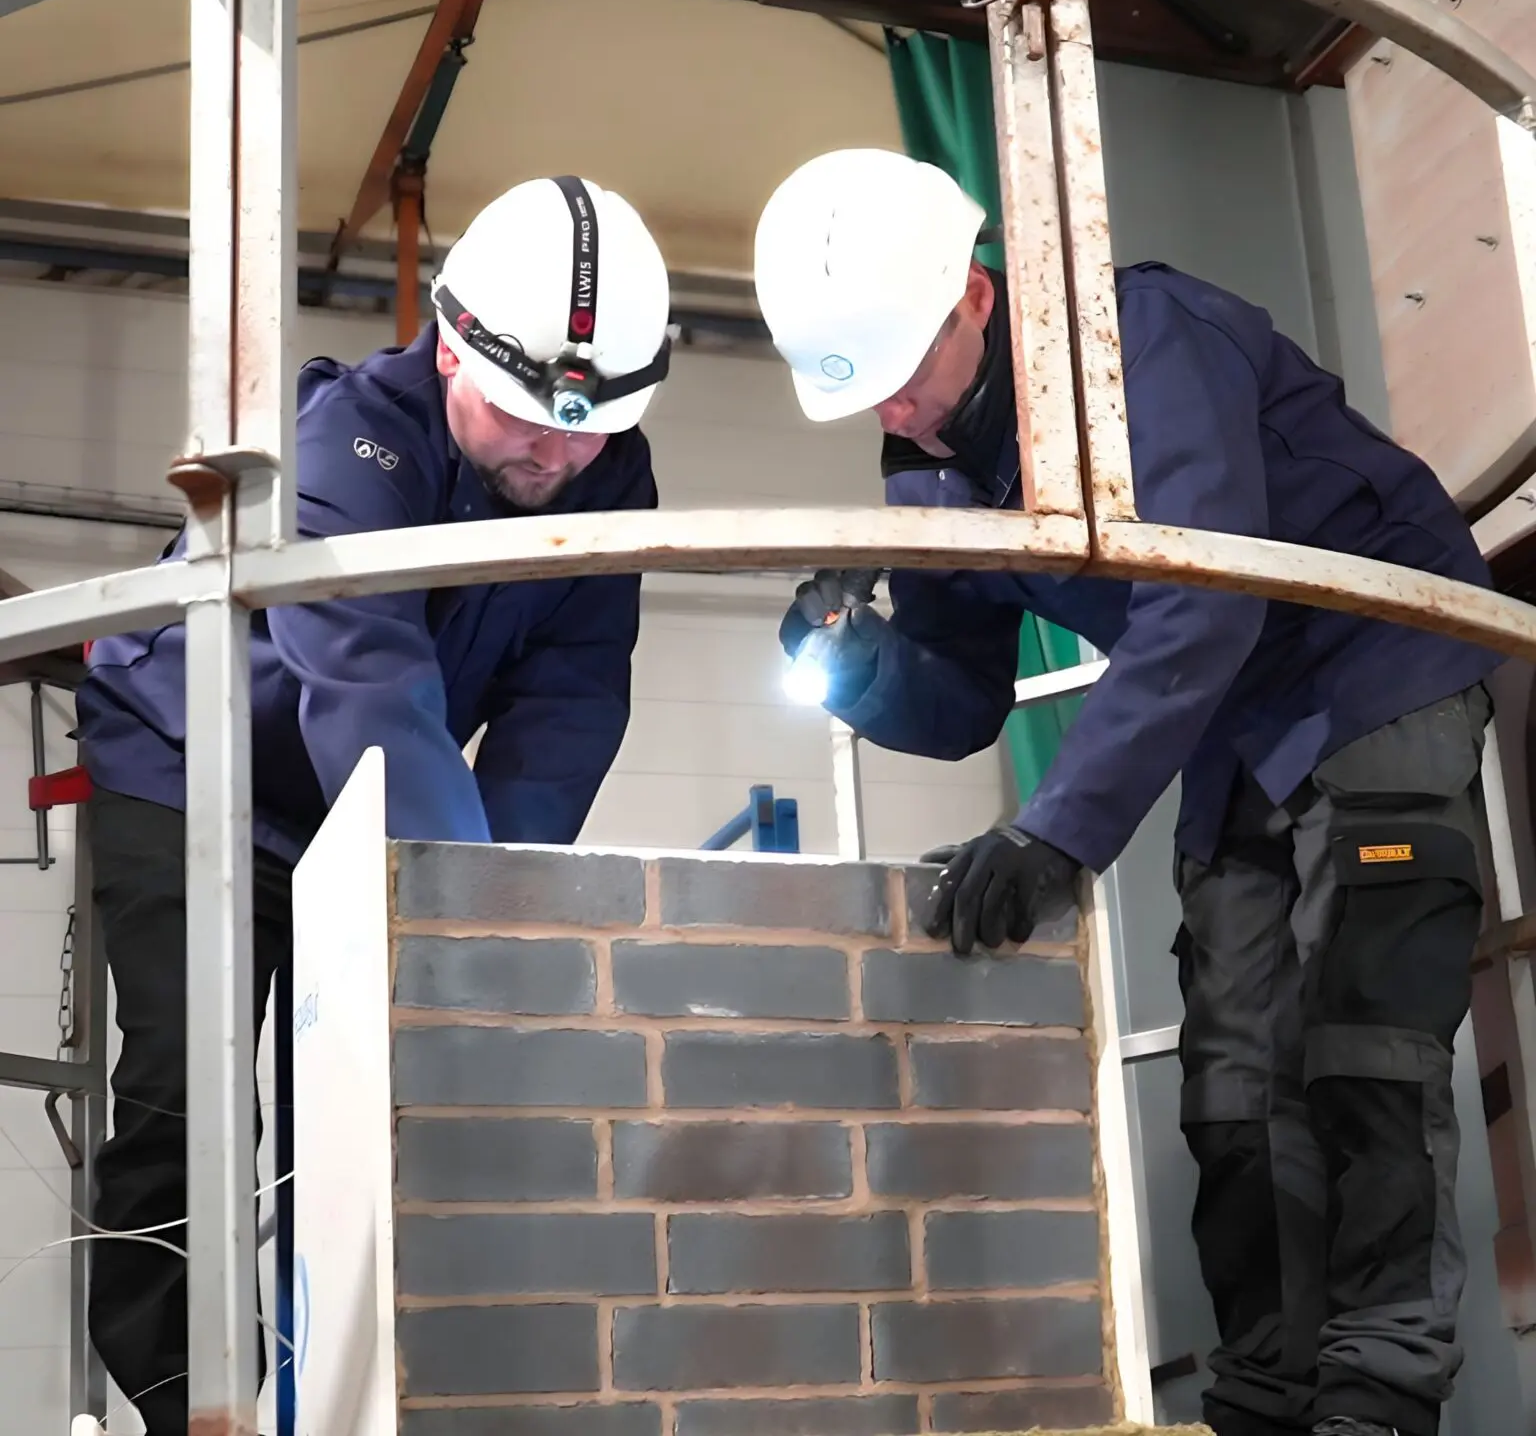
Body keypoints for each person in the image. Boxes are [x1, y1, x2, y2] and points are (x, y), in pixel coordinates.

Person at [757, 147, 1503, 1436]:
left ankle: (1376, 1403)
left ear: (973, 296)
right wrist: (861, 661)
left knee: (1363, 1045)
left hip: (1379, 665)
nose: (897, 413)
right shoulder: (923, 459)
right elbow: (966, 696)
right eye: (866, 394)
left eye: (904, 375)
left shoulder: (1133, 340)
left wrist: (1057, 833)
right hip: (1236, 727)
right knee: (1230, 1083)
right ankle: (1265, 1402)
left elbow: (1204, 599)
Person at [76, 174, 672, 1433]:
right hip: (194, 771)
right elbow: (370, 687)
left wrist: (496, 902)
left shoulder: (607, 475)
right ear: (452, 346)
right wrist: (446, 909)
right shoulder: (344, 442)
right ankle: (195, 1404)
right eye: (525, 419)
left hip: (365, 799)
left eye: (588, 432)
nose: (558, 456)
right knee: (192, 1086)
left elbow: (570, 703)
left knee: (371, 1100)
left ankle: (353, 1402)